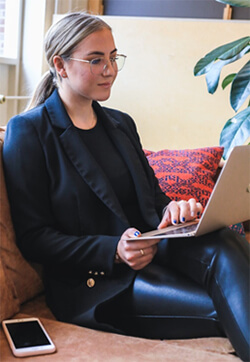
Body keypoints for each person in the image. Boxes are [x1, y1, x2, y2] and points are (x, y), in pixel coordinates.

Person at [3, 12, 249, 361]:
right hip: (98, 282)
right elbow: (34, 237)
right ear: (60, 64)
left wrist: (172, 209)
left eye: (113, 57)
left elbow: (154, 198)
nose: (110, 70)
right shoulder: (29, 132)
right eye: (96, 60)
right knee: (228, 304)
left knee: (224, 240)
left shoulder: (121, 124)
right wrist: (113, 250)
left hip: (156, 252)